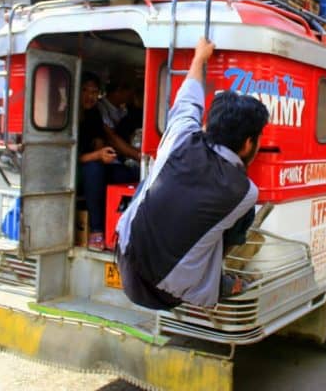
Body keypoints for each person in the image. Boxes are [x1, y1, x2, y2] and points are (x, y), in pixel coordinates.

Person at [116, 37, 270, 310]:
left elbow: (189, 95)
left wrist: (200, 57)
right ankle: (221, 281)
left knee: (153, 177)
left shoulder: (180, 136)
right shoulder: (245, 192)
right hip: (164, 293)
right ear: (248, 143)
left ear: (208, 123)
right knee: (239, 222)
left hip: (125, 258)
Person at [78, 73, 119, 251]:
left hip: (94, 162)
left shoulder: (94, 114)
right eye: (85, 91)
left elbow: (98, 141)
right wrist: (98, 156)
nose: (90, 96)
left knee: (125, 173)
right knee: (94, 169)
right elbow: (75, 157)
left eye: (95, 92)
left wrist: (103, 151)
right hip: (74, 170)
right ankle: (96, 231)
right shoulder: (68, 114)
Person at [97, 79, 140, 182]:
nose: (132, 94)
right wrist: (139, 156)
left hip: (124, 158)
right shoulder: (101, 107)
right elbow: (112, 138)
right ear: (119, 90)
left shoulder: (123, 111)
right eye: (130, 91)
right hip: (109, 159)